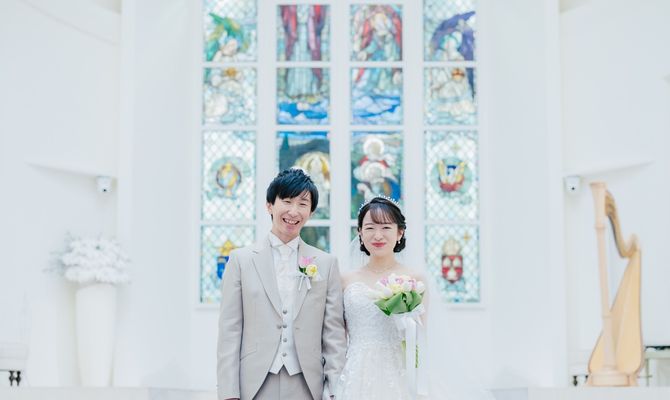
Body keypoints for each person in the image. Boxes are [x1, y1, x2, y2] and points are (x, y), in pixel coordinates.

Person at [217, 168, 346, 400]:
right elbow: (230, 330)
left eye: (302, 204)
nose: (293, 211)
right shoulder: (240, 260)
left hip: (308, 384)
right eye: (286, 201)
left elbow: (334, 335)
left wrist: (334, 390)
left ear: (311, 212)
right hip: (254, 383)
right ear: (269, 205)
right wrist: (229, 393)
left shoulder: (326, 264)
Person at [337, 196, 428, 399]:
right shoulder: (344, 279)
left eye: (386, 227)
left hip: (399, 371)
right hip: (355, 372)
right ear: (360, 233)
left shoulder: (415, 279)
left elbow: (421, 336)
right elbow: (338, 336)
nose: (378, 235)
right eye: (370, 228)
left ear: (400, 232)